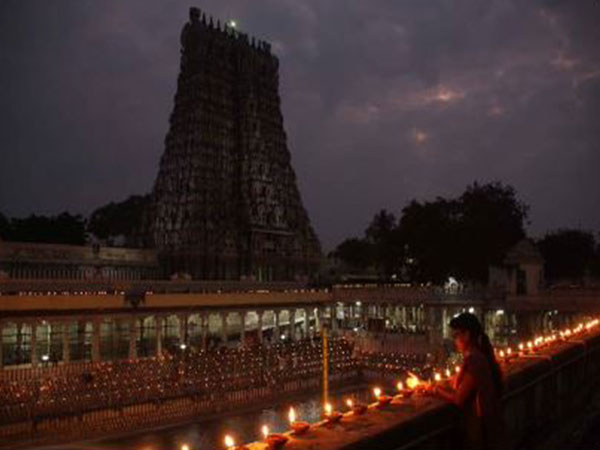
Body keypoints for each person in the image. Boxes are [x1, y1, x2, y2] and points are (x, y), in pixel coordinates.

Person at [431, 313, 504, 450]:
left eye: (456, 335)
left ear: (467, 335)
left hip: (477, 427)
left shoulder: (474, 359)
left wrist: (434, 390)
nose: (455, 340)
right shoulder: (476, 356)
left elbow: (459, 398)